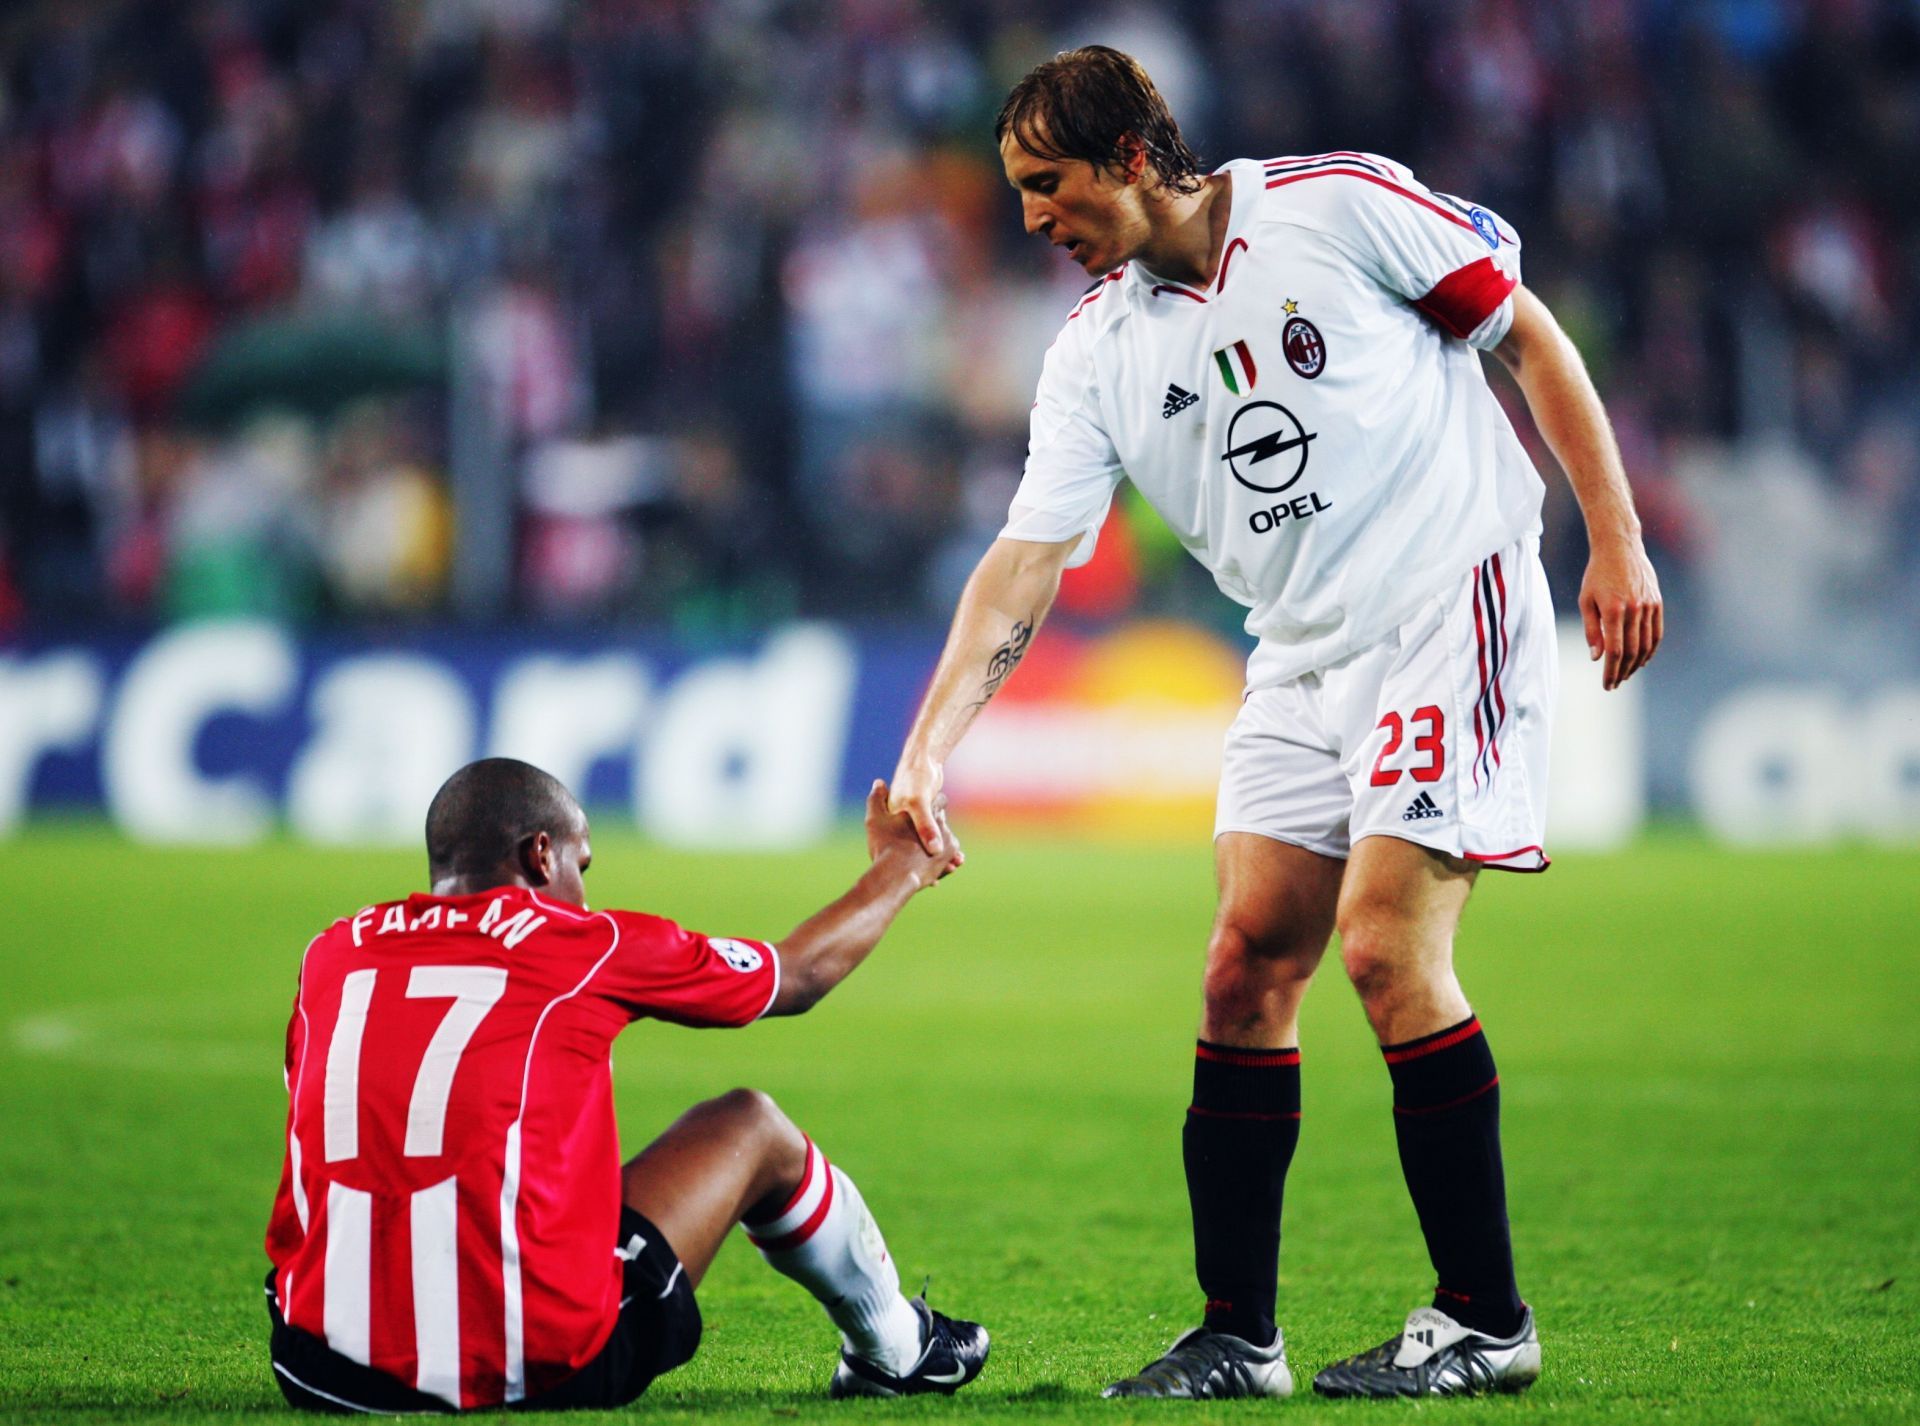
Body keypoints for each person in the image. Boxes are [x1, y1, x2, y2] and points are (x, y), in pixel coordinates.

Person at [889, 46, 1662, 1400]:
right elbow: (1027, 559)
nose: (1028, 218)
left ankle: (1486, 1319)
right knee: (1245, 968)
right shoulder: (1095, 354)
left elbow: (1522, 330)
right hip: (1300, 655)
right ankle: (1240, 1337)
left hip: (1448, 596)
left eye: (1044, 183)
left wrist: (1616, 539)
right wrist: (928, 743)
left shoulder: (1336, 203)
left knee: (1382, 943)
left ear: (1132, 155)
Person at [262, 758, 987, 1412]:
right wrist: (902, 867)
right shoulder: (581, 941)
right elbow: (797, 975)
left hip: (320, 1370)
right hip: (535, 1372)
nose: (583, 890)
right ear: (541, 856)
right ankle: (896, 1349)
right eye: (582, 864)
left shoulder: (332, 953)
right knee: (751, 1127)